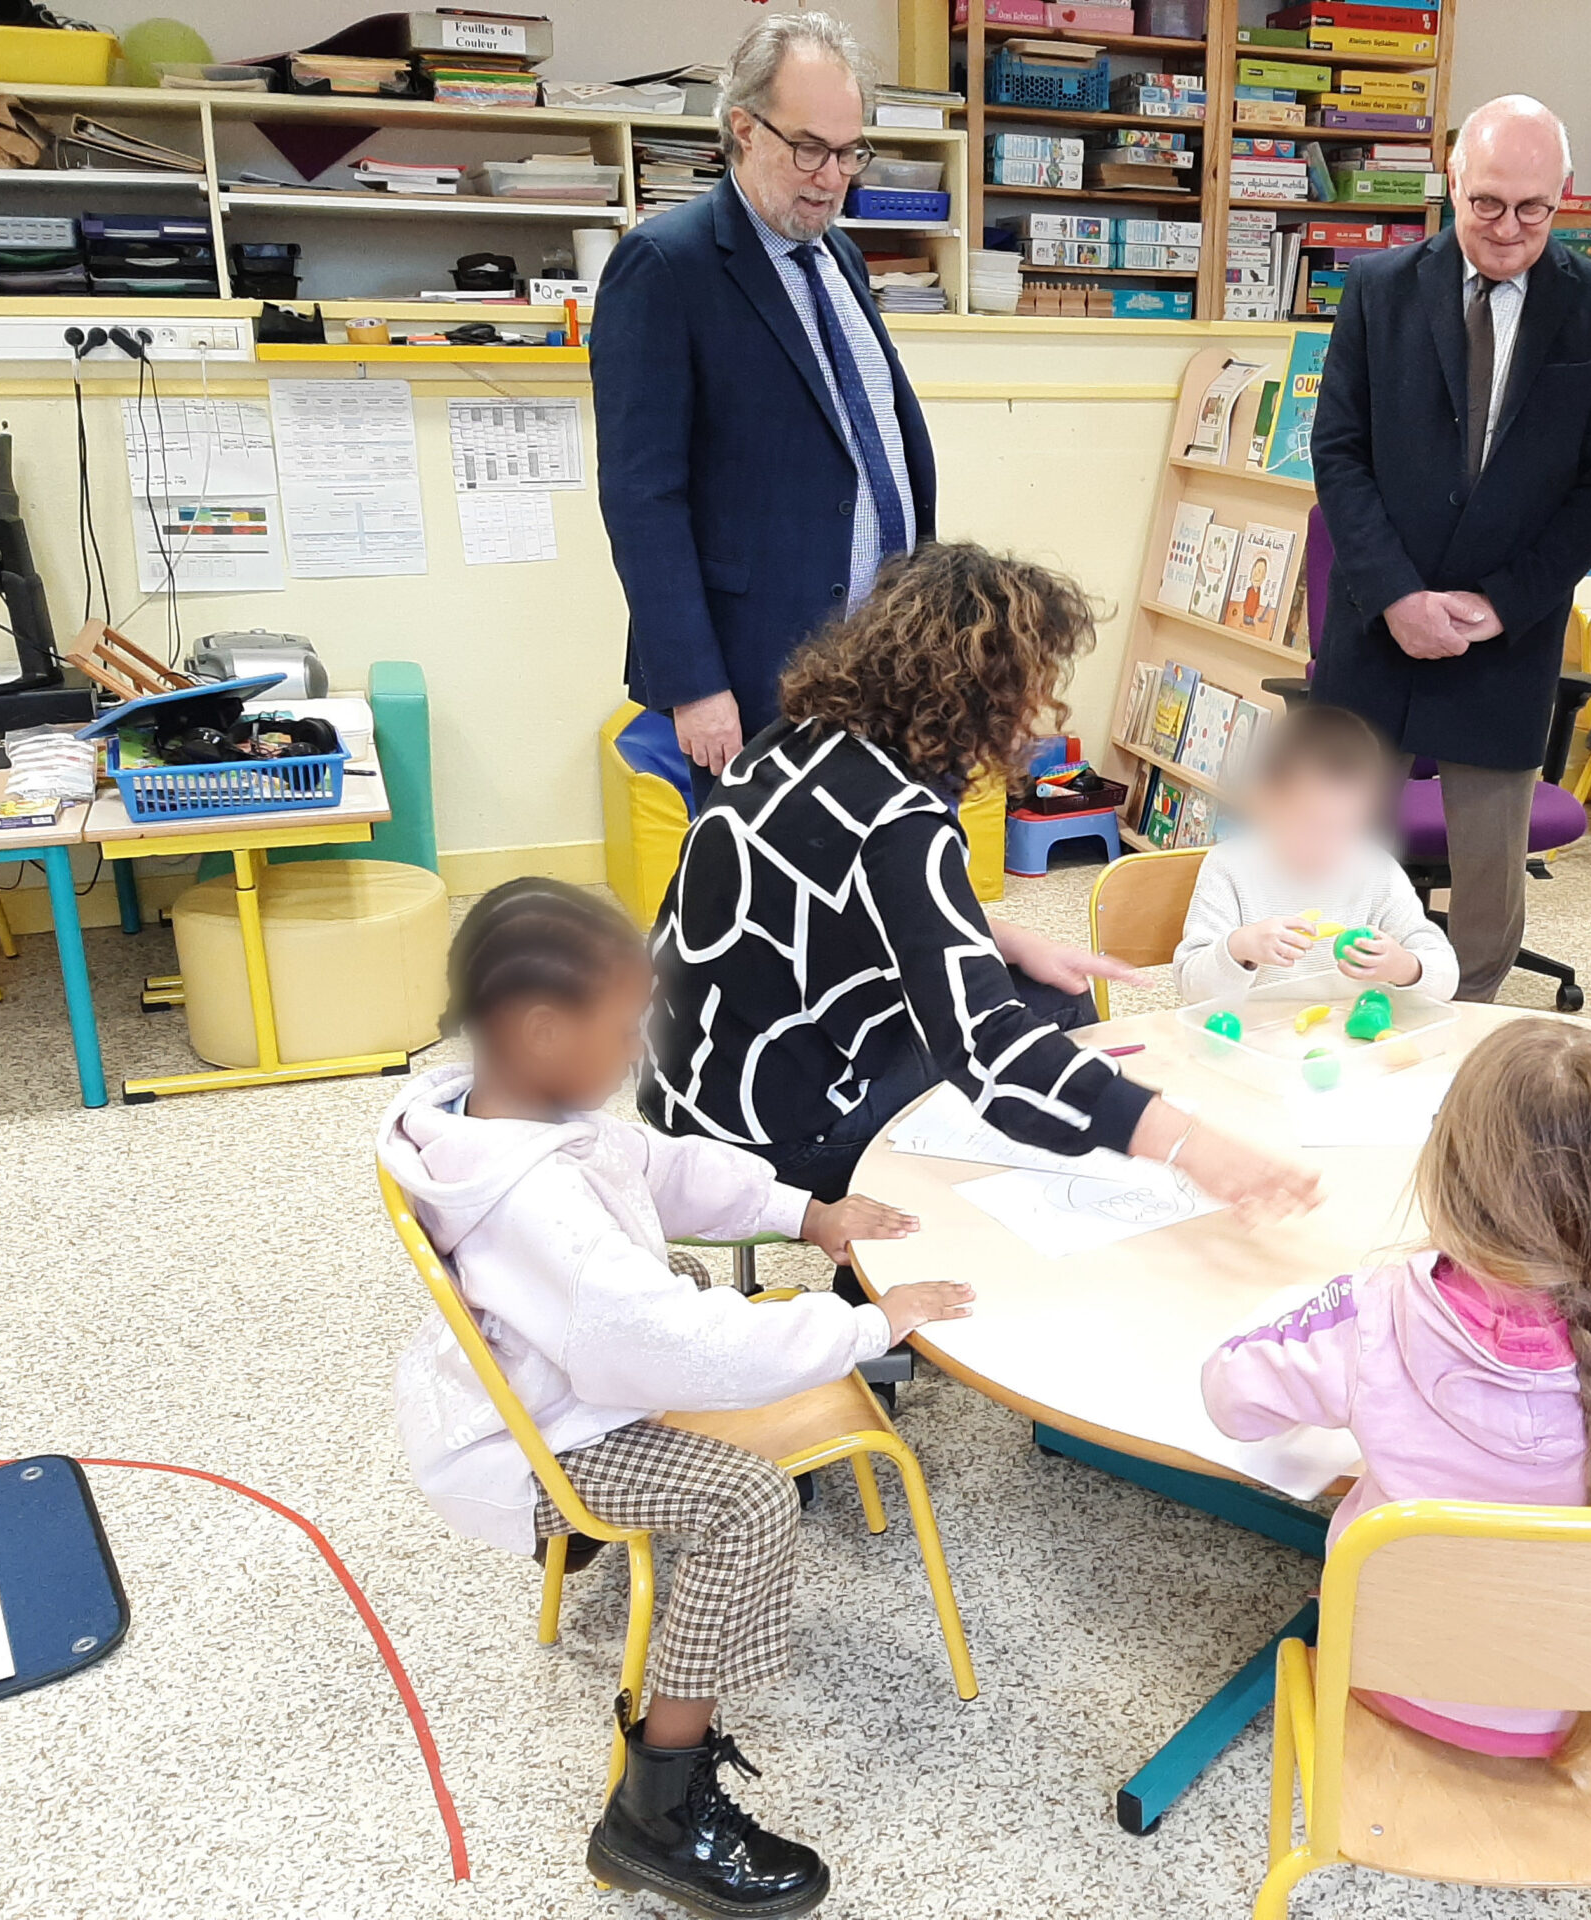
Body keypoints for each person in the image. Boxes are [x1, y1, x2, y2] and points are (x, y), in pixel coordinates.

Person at [379, 879, 973, 1916]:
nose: (638, 1050)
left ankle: (651, 1759)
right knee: (745, 1503)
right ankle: (653, 1812)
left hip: (545, 1374)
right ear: (540, 1028)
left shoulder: (517, 1106)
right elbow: (674, 1347)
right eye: (625, 1028)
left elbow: (661, 1166)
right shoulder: (539, 1201)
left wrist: (804, 1212)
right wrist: (871, 1325)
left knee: (698, 1293)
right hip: (543, 1441)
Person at [643, 541, 1322, 1297]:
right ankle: (885, 1287)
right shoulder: (901, 818)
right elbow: (987, 1050)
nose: (1038, 711)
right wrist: (1190, 1144)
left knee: (1048, 994)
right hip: (772, 1135)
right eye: (1035, 687)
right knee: (1037, 1038)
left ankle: (924, 1253)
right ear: (986, 694)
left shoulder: (797, 740)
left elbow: (840, 899)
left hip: (684, 1081)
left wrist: (1004, 937)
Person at [1200, 1019, 1591, 1758]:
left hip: (1392, 1673)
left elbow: (1229, 1396)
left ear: (1448, 1170)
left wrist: (1298, 1311)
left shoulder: (1370, 1316)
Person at [1309, 94, 1591, 1002]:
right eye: (1486, 203)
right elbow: (1338, 451)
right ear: (1451, 182)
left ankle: (1468, 1039)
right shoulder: (1379, 288)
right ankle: (1349, 1024)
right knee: (1345, 868)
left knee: (1490, 900)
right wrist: (1394, 594)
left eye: (1533, 209)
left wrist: (1503, 601)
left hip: (1509, 637)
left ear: (1564, 196)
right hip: (1378, 628)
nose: (1508, 228)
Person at [592, 11, 934, 805]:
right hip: (752, 670)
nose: (832, 175)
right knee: (755, 901)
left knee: (858, 888)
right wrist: (693, 685)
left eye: (850, 152)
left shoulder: (839, 255)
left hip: (872, 660)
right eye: (808, 148)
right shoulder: (664, 266)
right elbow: (642, 496)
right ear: (743, 128)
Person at [1171, 703, 1459, 1004]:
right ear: (1266, 802)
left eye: (1347, 828)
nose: (1328, 844)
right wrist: (1239, 947)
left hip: (1349, 1039)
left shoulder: (1377, 871)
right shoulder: (1229, 867)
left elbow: (1446, 976)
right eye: (1310, 824)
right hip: (1251, 1038)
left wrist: (1405, 967)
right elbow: (1191, 988)